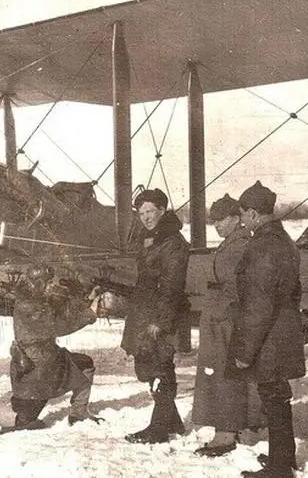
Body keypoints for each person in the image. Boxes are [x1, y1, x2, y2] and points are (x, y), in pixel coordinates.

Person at [230, 181, 305, 478]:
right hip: (282, 332)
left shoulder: (262, 246)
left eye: (242, 215)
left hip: (269, 338)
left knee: (273, 399)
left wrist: (245, 352)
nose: (241, 220)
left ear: (253, 213)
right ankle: (283, 459)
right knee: (278, 397)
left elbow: (259, 305)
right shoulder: (284, 240)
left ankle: (279, 469)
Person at [192, 193, 264, 457]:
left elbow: (237, 288)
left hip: (226, 322)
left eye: (221, 220)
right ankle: (238, 427)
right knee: (226, 375)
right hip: (222, 320)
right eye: (214, 221)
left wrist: (222, 313)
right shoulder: (235, 242)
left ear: (236, 218)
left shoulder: (239, 244)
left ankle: (226, 433)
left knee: (225, 376)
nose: (216, 226)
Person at [121, 188, 190, 444]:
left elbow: (172, 286)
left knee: (161, 366)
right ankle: (172, 421)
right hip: (144, 313)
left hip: (160, 315)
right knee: (147, 367)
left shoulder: (172, 242)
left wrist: (160, 322)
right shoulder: (151, 238)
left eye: (150, 211)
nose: (146, 217)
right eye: (141, 213)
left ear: (162, 211)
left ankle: (159, 429)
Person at [7, 264, 103, 431]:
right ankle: (79, 413)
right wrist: (91, 314)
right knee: (24, 421)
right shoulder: (32, 306)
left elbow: (63, 313)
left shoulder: (29, 299)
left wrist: (87, 300)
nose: (52, 285)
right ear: (38, 283)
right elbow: (59, 326)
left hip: (31, 363)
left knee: (26, 416)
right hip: (41, 366)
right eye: (48, 282)